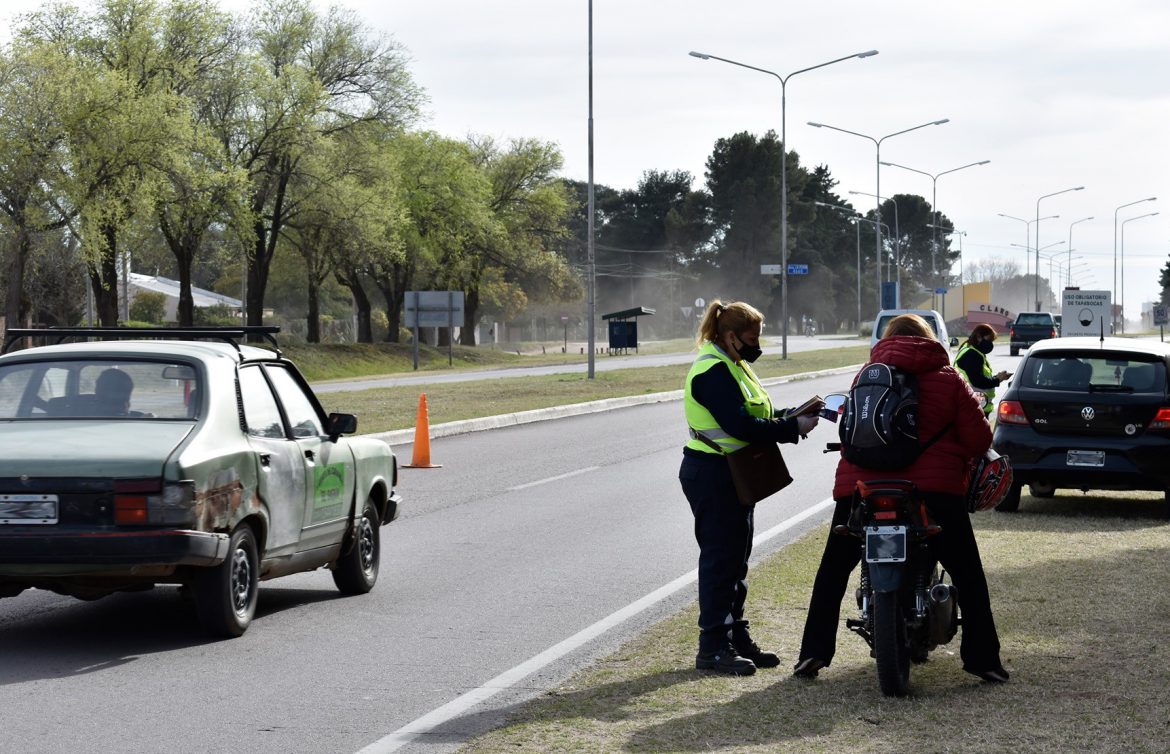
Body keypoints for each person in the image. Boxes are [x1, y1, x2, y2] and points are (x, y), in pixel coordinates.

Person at [794, 313, 1010, 684]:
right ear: (928, 339)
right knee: (968, 574)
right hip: (933, 490)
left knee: (832, 569)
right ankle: (982, 659)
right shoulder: (948, 378)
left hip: (862, 488)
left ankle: (812, 652)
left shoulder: (867, 374)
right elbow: (979, 440)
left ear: (888, 338)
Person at [679, 300, 820, 676]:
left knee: (736, 563)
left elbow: (756, 414)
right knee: (720, 563)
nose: (757, 345)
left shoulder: (733, 364)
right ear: (730, 336)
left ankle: (734, 635)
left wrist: (791, 414)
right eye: (752, 338)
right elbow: (739, 427)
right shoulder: (712, 370)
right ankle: (712, 648)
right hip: (712, 473)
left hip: (733, 473)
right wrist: (792, 430)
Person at [954, 324, 1011, 418]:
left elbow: (978, 376)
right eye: (989, 340)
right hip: (974, 407)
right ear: (979, 337)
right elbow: (978, 381)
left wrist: (997, 377)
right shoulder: (972, 354)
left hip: (973, 404)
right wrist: (997, 380)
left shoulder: (970, 349)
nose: (990, 344)